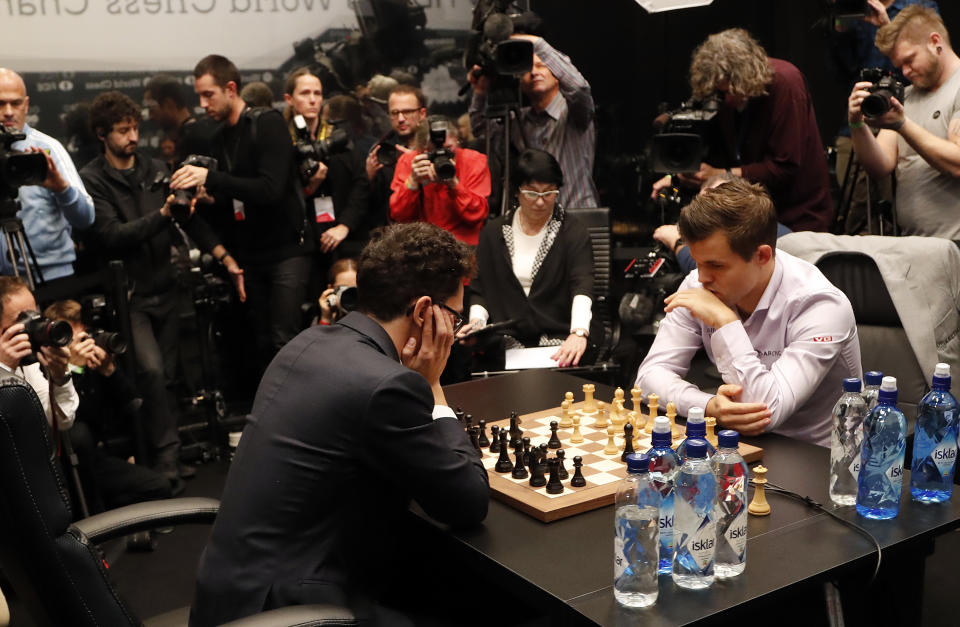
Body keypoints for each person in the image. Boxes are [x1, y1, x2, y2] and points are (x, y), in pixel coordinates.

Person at [189, 222, 488, 626]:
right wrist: (432, 384)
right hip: (292, 610)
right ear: (423, 311)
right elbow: (468, 503)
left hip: (228, 595)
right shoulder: (386, 386)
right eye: (452, 314)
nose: (454, 327)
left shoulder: (307, 343)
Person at [635, 179, 861, 447]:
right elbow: (648, 378)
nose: (702, 278)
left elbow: (765, 411)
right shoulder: (699, 283)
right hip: (738, 444)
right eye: (697, 262)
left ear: (762, 256)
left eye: (716, 265)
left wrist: (726, 321)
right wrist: (708, 406)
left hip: (821, 458)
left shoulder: (820, 304)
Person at [80, 91, 233, 482]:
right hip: (130, 295)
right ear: (102, 134)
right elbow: (112, 235)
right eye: (122, 130)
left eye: (134, 128)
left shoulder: (152, 168)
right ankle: (162, 462)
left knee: (167, 375)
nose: (132, 136)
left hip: (167, 284)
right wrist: (164, 213)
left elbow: (184, 217)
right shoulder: (93, 181)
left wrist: (213, 240)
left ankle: (167, 455)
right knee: (147, 372)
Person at [171, 54, 313, 376]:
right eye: (199, 96)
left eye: (209, 95)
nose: (203, 104)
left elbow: (270, 189)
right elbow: (237, 194)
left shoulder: (268, 123)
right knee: (261, 342)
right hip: (252, 254)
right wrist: (208, 198)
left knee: (284, 341)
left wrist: (211, 179)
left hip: (287, 250)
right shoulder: (220, 138)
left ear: (231, 88)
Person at [650, 29, 834, 233]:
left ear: (742, 80)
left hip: (798, 217)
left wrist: (721, 175)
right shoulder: (728, 97)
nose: (723, 100)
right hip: (752, 217)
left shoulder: (786, 83)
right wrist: (679, 177)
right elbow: (723, 156)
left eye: (726, 91)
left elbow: (785, 168)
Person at [462, 149, 595, 368]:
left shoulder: (573, 231)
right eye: (532, 193)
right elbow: (480, 289)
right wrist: (477, 323)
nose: (541, 202)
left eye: (549, 193)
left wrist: (579, 332)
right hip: (506, 337)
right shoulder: (494, 232)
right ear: (517, 192)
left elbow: (582, 284)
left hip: (559, 333)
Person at [44, 299, 174, 509]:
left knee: (159, 487)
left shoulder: (96, 362)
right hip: (70, 466)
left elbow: (133, 406)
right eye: (74, 339)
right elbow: (73, 423)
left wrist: (110, 372)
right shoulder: (49, 373)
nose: (83, 344)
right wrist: (74, 370)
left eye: (84, 336)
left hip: (101, 457)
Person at [847, 5, 960, 240]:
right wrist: (857, 123)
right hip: (913, 243)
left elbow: (957, 163)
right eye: (900, 66)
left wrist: (902, 125)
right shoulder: (906, 96)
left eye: (910, 60)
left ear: (935, 41)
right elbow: (880, 165)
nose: (905, 72)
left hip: (954, 244)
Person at [827, 0, 940, 233]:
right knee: (855, 215)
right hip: (860, 119)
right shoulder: (857, 10)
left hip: (905, 113)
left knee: (894, 209)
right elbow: (841, 73)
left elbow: (921, 72)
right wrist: (840, 27)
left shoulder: (918, 6)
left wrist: (887, 29)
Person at [468, 33, 599, 209]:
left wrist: (537, 43)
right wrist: (480, 92)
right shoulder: (518, 120)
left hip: (577, 214)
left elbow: (579, 88)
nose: (534, 72)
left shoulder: (575, 114)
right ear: (519, 81)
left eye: (541, 66)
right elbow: (480, 128)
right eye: (527, 68)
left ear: (557, 75)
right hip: (537, 220)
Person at [0, 68, 94, 281]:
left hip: (51, 279)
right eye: (0, 104)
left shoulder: (48, 149)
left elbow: (86, 218)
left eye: (15, 103)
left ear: (26, 105)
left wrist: (62, 190)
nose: (8, 112)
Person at [389, 116, 491, 246]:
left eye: (448, 148)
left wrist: (453, 184)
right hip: (421, 244)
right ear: (421, 149)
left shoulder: (474, 161)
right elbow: (399, 217)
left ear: (457, 140)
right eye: (433, 151)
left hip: (463, 245)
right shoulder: (409, 161)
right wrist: (412, 182)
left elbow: (477, 215)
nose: (441, 155)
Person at [0, 276, 77, 429]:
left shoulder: (28, 362)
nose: (33, 326)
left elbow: (62, 422)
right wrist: (3, 370)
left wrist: (60, 379)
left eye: (34, 315)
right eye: (23, 319)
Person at [364, 84, 427, 229]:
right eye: (394, 113)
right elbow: (372, 206)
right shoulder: (380, 149)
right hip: (391, 232)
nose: (400, 119)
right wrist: (369, 177)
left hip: (431, 229)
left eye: (407, 112)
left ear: (422, 114)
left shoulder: (435, 146)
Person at [145, 73, 216, 164]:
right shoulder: (183, 139)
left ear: (168, 104)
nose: (150, 116)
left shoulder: (197, 141)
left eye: (152, 108)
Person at [317, 257, 357, 326]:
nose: (349, 294)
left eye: (354, 288)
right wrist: (326, 319)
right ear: (330, 289)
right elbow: (319, 337)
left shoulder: (371, 316)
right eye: (343, 288)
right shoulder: (326, 315)